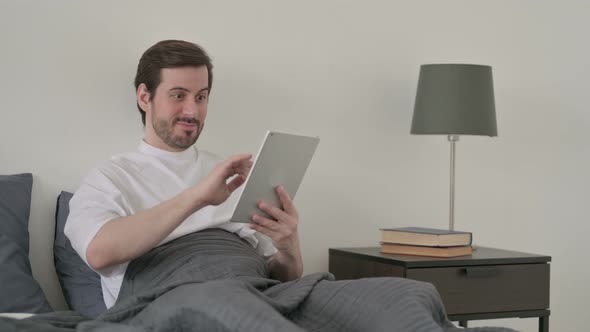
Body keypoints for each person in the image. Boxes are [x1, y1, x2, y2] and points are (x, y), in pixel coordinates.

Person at [64, 40, 302, 309]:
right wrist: (197, 198)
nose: (192, 111)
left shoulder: (233, 174)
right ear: (145, 97)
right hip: (178, 301)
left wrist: (288, 248)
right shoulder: (110, 177)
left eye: (201, 97)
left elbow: (284, 279)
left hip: (256, 294)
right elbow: (98, 252)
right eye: (178, 95)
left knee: (355, 295)